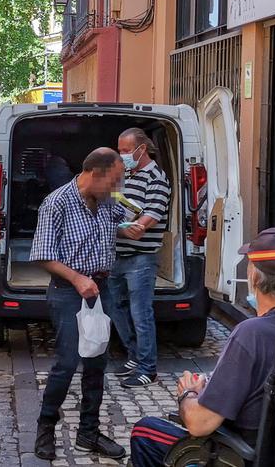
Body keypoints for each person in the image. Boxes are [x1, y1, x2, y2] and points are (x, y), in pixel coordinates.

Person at [129, 229, 275, 466]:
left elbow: (199, 423)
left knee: (144, 433)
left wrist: (188, 394)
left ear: (255, 276)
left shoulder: (251, 333)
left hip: (246, 454)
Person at [32, 147, 127, 461]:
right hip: (68, 291)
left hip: (101, 289)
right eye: (114, 181)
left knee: (97, 361)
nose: (118, 188)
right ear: (95, 175)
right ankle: (45, 426)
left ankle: (89, 432)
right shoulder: (56, 203)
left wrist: (132, 228)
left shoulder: (106, 201)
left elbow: (118, 224)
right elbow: (44, 255)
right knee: (68, 363)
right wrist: (76, 279)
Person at [112, 128, 172, 388]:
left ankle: (148, 368)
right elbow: (112, 208)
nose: (122, 156)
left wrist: (114, 225)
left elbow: (141, 228)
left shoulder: (157, 179)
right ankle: (134, 355)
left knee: (141, 314)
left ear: (141, 149)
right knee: (114, 307)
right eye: (120, 150)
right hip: (115, 256)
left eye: (126, 151)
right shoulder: (124, 174)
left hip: (141, 258)